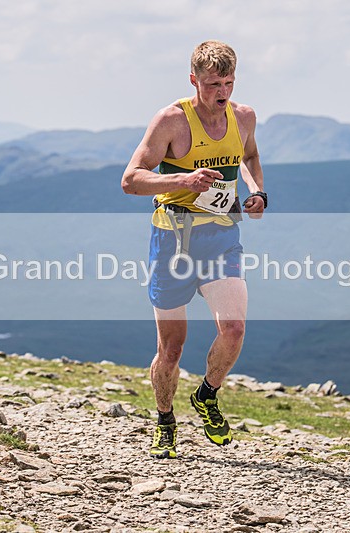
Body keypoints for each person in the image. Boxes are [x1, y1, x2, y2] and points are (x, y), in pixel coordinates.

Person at [122, 40, 266, 459]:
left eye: (228, 83)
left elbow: (250, 156)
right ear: (193, 81)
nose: (221, 92)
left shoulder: (244, 117)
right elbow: (131, 180)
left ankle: (207, 394)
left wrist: (258, 192)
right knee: (172, 348)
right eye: (212, 84)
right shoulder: (171, 121)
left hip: (221, 236)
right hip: (172, 240)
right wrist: (181, 182)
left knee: (234, 329)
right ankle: (165, 418)